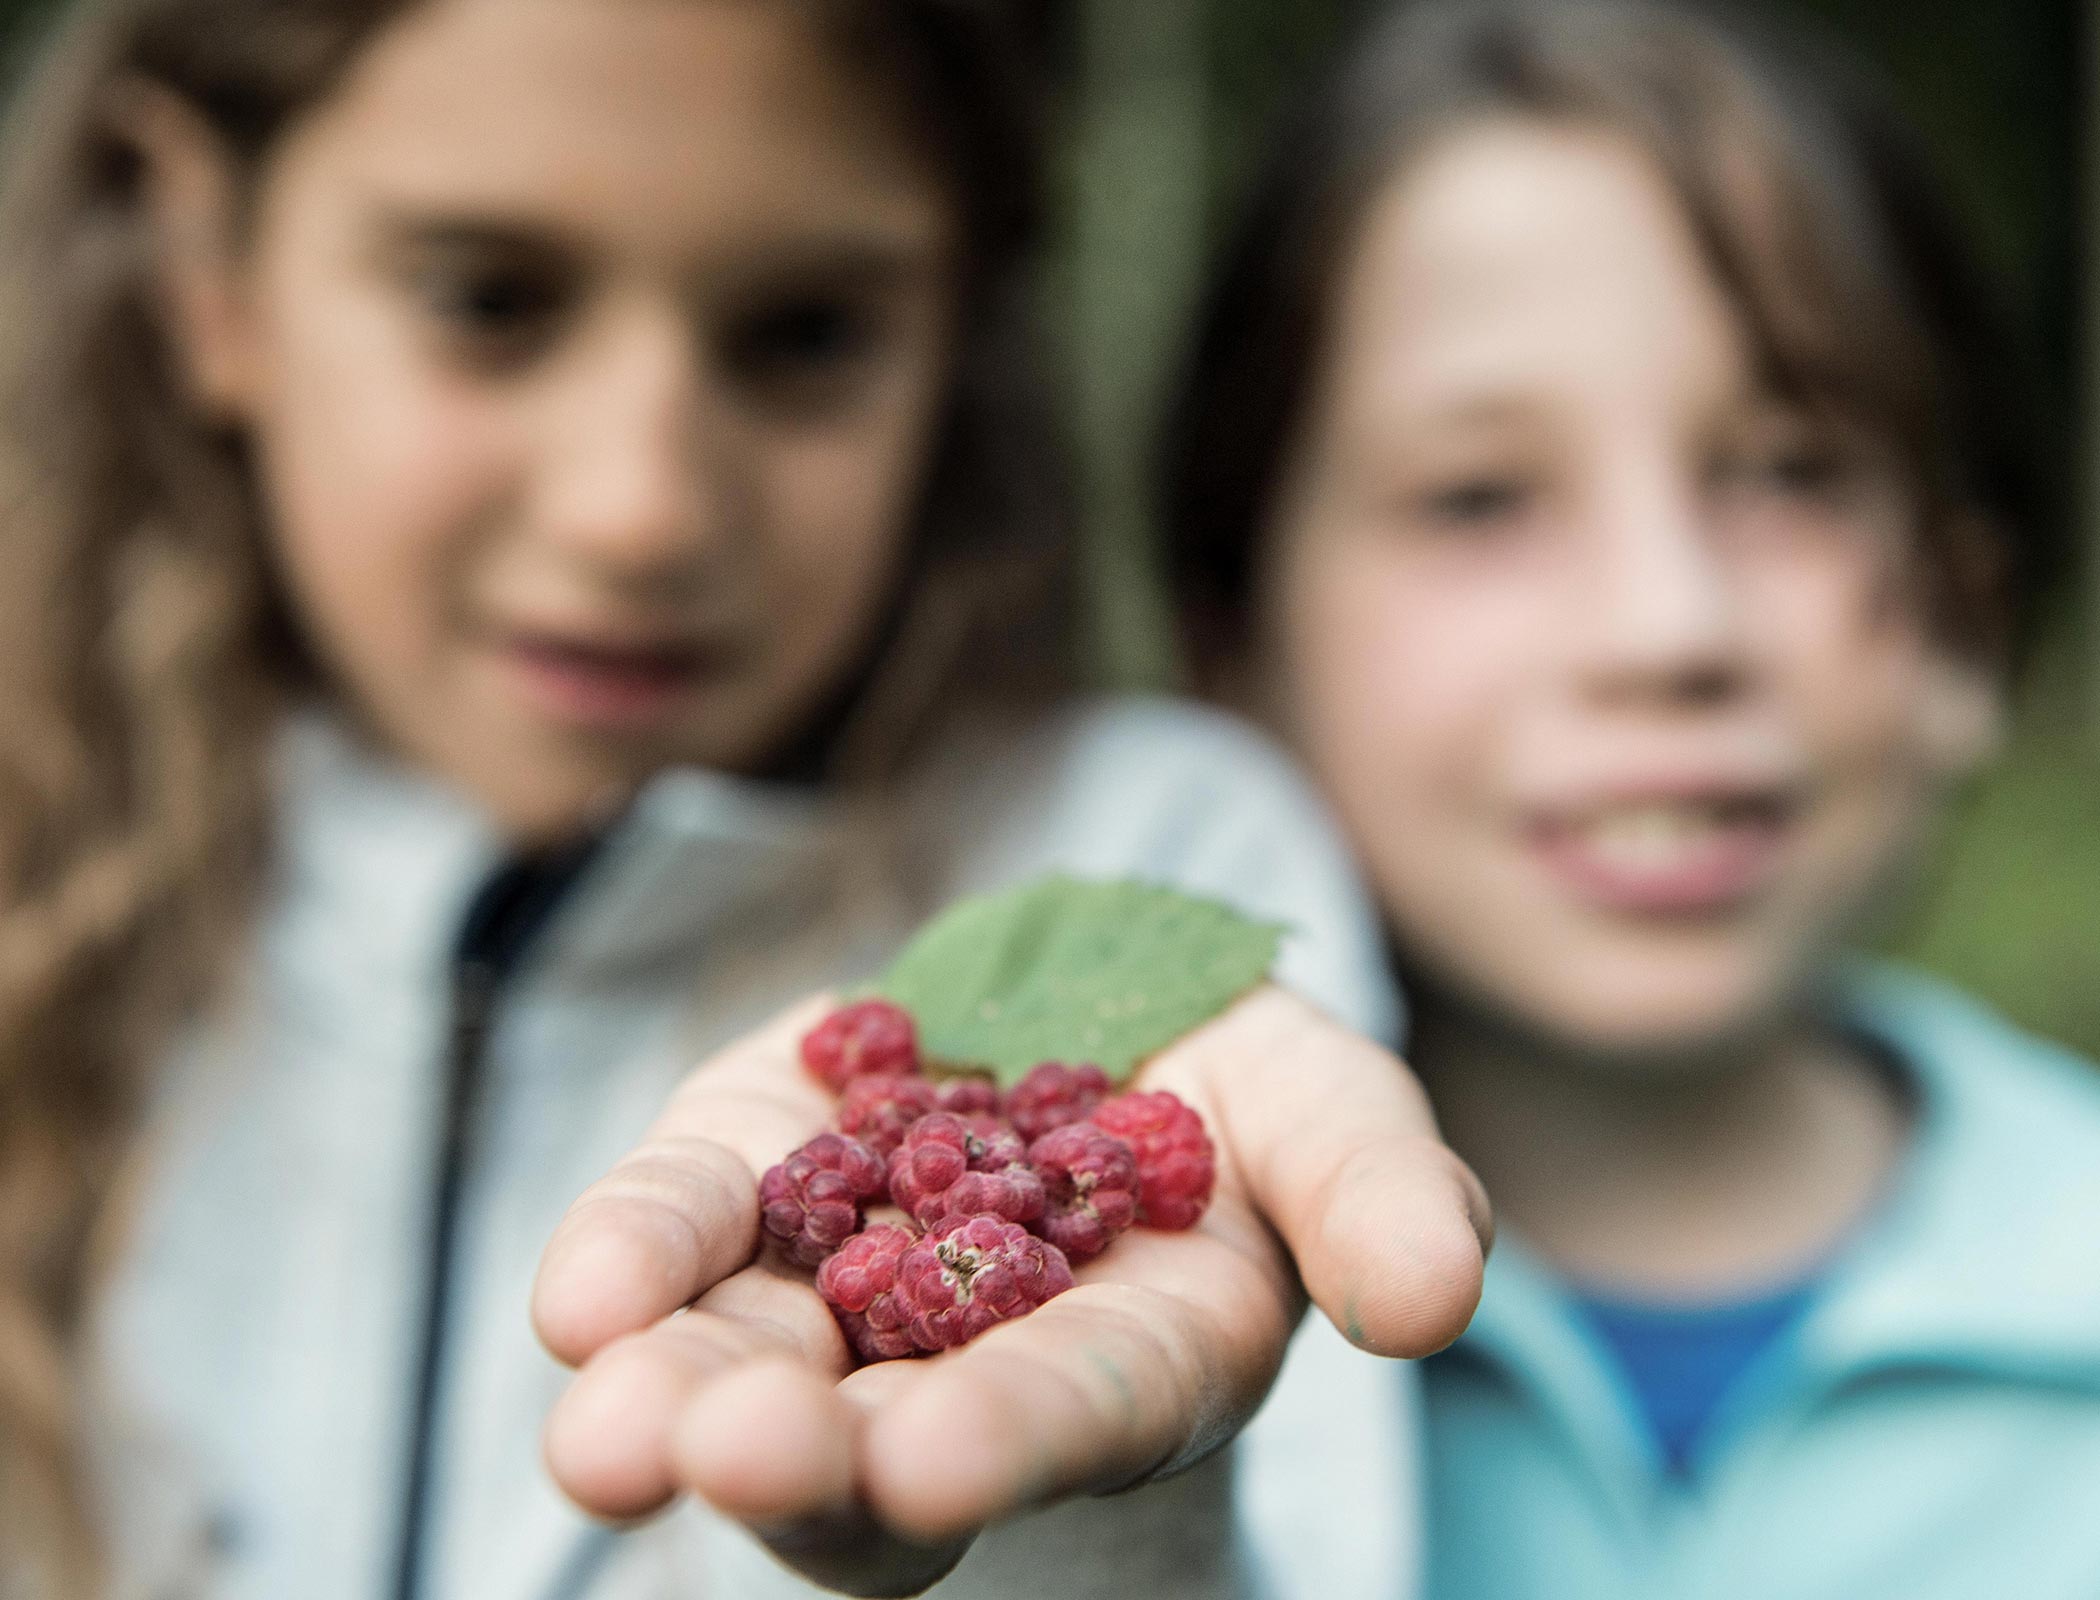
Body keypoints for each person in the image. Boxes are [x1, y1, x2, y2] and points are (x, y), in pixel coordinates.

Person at [0, 0, 1488, 1596]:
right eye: (489, 299)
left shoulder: (1140, 862)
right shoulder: (52, 897)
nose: (640, 506)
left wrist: (1088, 1527)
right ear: (204, 265)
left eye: (804, 335)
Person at [1158, 1, 2098, 1595]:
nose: (1665, 627)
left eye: (1790, 470)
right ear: (1240, 651)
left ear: (1963, 620)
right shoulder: (1147, 1336)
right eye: (1479, 498)